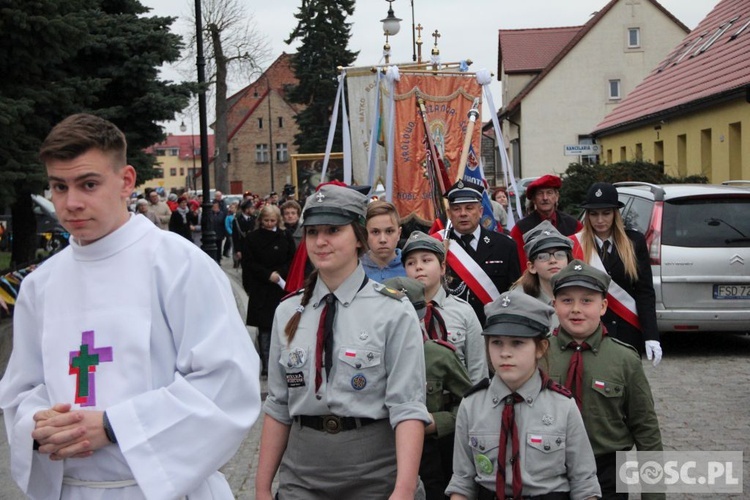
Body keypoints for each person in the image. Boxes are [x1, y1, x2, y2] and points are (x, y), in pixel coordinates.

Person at [0, 113, 261, 499]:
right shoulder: (40, 285)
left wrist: (112, 425)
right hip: (71, 490)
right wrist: (38, 427)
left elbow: (227, 384)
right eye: (58, 186)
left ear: (126, 181)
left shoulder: (178, 265)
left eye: (88, 184)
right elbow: (21, 390)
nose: (70, 203)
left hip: (160, 489)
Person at [256, 183, 430, 500]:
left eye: (333, 230)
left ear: (359, 238)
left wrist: (403, 490)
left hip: (374, 476)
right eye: (312, 232)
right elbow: (279, 406)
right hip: (302, 476)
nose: (320, 241)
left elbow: (408, 407)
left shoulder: (393, 311)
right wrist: (262, 488)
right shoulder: (288, 312)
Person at [446, 288, 601, 500]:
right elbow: (462, 481)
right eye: (496, 342)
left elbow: (584, 483)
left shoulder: (562, 406)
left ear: (541, 348)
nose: (505, 352)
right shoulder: (472, 404)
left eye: (517, 343)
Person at [547, 260, 664, 500]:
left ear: (603, 306)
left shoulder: (624, 359)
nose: (576, 309)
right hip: (548, 473)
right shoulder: (538, 355)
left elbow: (646, 429)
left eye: (587, 301)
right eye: (567, 300)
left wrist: (653, 494)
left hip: (608, 473)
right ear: (554, 305)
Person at [384, 276, 472, 500]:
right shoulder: (370, 357)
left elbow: (470, 406)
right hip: (380, 453)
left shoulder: (439, 356)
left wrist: (437, 422)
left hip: (429, 454)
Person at [573, 182, 661, 361]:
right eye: (594, 214)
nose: (600, 220)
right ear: (587, 216)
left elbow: (645, 292)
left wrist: (651, 335)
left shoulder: (634, 242)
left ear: (616, 214)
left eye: (606, 213)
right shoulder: (575, 245)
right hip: (590, 330)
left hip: (627, 329)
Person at [403, 231, 487, 384]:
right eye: (411, 263)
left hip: (457, 403)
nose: (418, 267)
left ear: (442, 268)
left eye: (426, 260)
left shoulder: (464, 312)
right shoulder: (399, 313)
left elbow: (478, 371)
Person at [438, 180, 521, 326]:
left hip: (494, 326)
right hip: (452, 327)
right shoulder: (439, 247)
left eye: (469, 208)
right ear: (449, 214)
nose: (463, 214)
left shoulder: (505, 245)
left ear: (481, 211)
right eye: (457, 209)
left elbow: (515, 293)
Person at [242, 204, 295, 376]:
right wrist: (267, 275)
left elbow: (292, 259)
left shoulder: (285, 236)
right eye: (266, 220)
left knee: (284, 327)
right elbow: (249, 263)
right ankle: (266, 363)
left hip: (281, 287)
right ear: (260, 220)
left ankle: (284, 360)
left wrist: (280, 273)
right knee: (265, 329)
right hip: (262, 287)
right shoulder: (252, 238)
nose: (270, 223)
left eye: (273, 220)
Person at [509, 175, 582, 273]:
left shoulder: (574, 226)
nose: (545, 198)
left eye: (549, 192)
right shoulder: (520, 229)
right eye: (540, 193)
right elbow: (521, 267)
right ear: (534, 199)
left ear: (557, 197)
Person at [513, 220, 573, 333]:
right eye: (543, 256)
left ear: (569, 262)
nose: (553, 260)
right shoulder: (519, 301)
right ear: (531, 267)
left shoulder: (580, 293)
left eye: (559, 255)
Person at [361, 200, 407, 282]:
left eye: (389, 231)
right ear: (365, 234)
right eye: (375, 232)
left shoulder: (410, 265)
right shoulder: (354, 268)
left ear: (399, 234)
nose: (383, 240)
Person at [233, 199, 256, 268]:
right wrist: (238, 250)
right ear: (246, 210)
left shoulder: (255, 219)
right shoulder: (237, 221)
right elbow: (235, 237)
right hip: (243, 247)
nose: (253, 210)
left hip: (254, 247)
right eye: (251, 208)